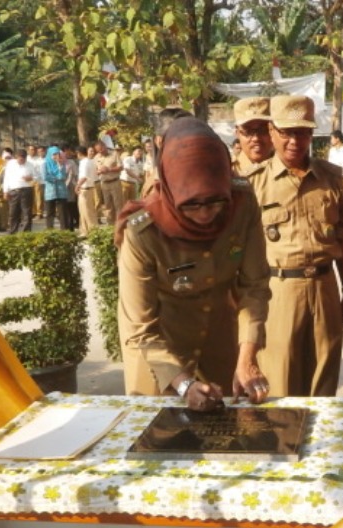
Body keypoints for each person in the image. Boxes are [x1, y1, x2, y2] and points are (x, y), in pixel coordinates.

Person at [116, 116, 271, 409]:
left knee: (228, 437)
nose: (205, 214)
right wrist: (184, 383)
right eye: (192, 205)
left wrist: (247, 355)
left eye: (215, 202)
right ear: (172, 191)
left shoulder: (242, 204)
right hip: (158, 352)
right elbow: (140, 327)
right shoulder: (143, 231)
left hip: (219, 339)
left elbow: (255, 285)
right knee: (160, 441)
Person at [247, 95, 343, 397]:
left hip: (325, 289)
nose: (295, 140)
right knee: (280, 384)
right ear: (272, 132)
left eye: (303, 132)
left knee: (324, 381)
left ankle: (321, 442)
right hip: (278, 293)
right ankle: (282, 444)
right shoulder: (253, 183)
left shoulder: (331, 178)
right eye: (287, 132)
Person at [232, 96, 273, 177]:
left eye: (263, 130)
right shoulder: (226, 171)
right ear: (237, 133)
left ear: (273, 131)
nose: (256, 138)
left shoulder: (291, 170)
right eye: (248, 131)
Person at [3, 149, 36, 234]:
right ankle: (12, 232)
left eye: (23, 158)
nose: (21, 160)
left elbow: (37, 176)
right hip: (14, 191)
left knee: (27, 213)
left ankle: (25, 233)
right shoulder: (10, 164)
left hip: (26, 190)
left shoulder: (30, 165)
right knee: (13, 213)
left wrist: (31, 178)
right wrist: (5, 191)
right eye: (20, 158)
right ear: (16, 157)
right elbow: (6, 178)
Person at [43, 146, 69, 230]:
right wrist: (57, 178)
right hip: (50, 192)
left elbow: (63, 176)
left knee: (63, 213)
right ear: (50, 155)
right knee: (50, 213)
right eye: (54, 154)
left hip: (61, 192)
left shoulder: (62, 164)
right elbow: (45, 177)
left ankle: (64, 232)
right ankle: (50, 231)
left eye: (57, 154)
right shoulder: (45, 164)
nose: (56, 156)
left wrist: (59, 166)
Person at [327, 129, 343, 194]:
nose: (331, 140)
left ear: (337, 139)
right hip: (333, 180)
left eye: (332, 138)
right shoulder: (331, 151)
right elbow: (329, 166)